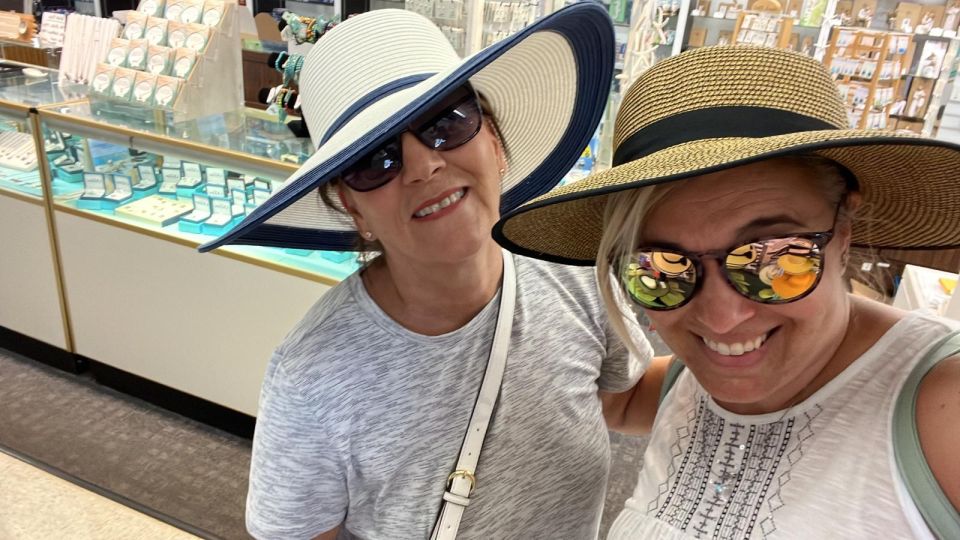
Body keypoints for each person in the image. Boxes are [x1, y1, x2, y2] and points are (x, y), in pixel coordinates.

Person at [199, 5, 652, 539]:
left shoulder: (571, 270)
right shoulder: (313, 376)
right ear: (352, 208)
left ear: (495, 143)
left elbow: (622, 397)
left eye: (446, 123)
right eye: (375, 160)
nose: (423, 166)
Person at [494, 45, 960, 538]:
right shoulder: (687, 383)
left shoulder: (940, 405)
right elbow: (611, 398)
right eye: (662, 269)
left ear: (843, 228)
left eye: (772, 258)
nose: (721, 319)